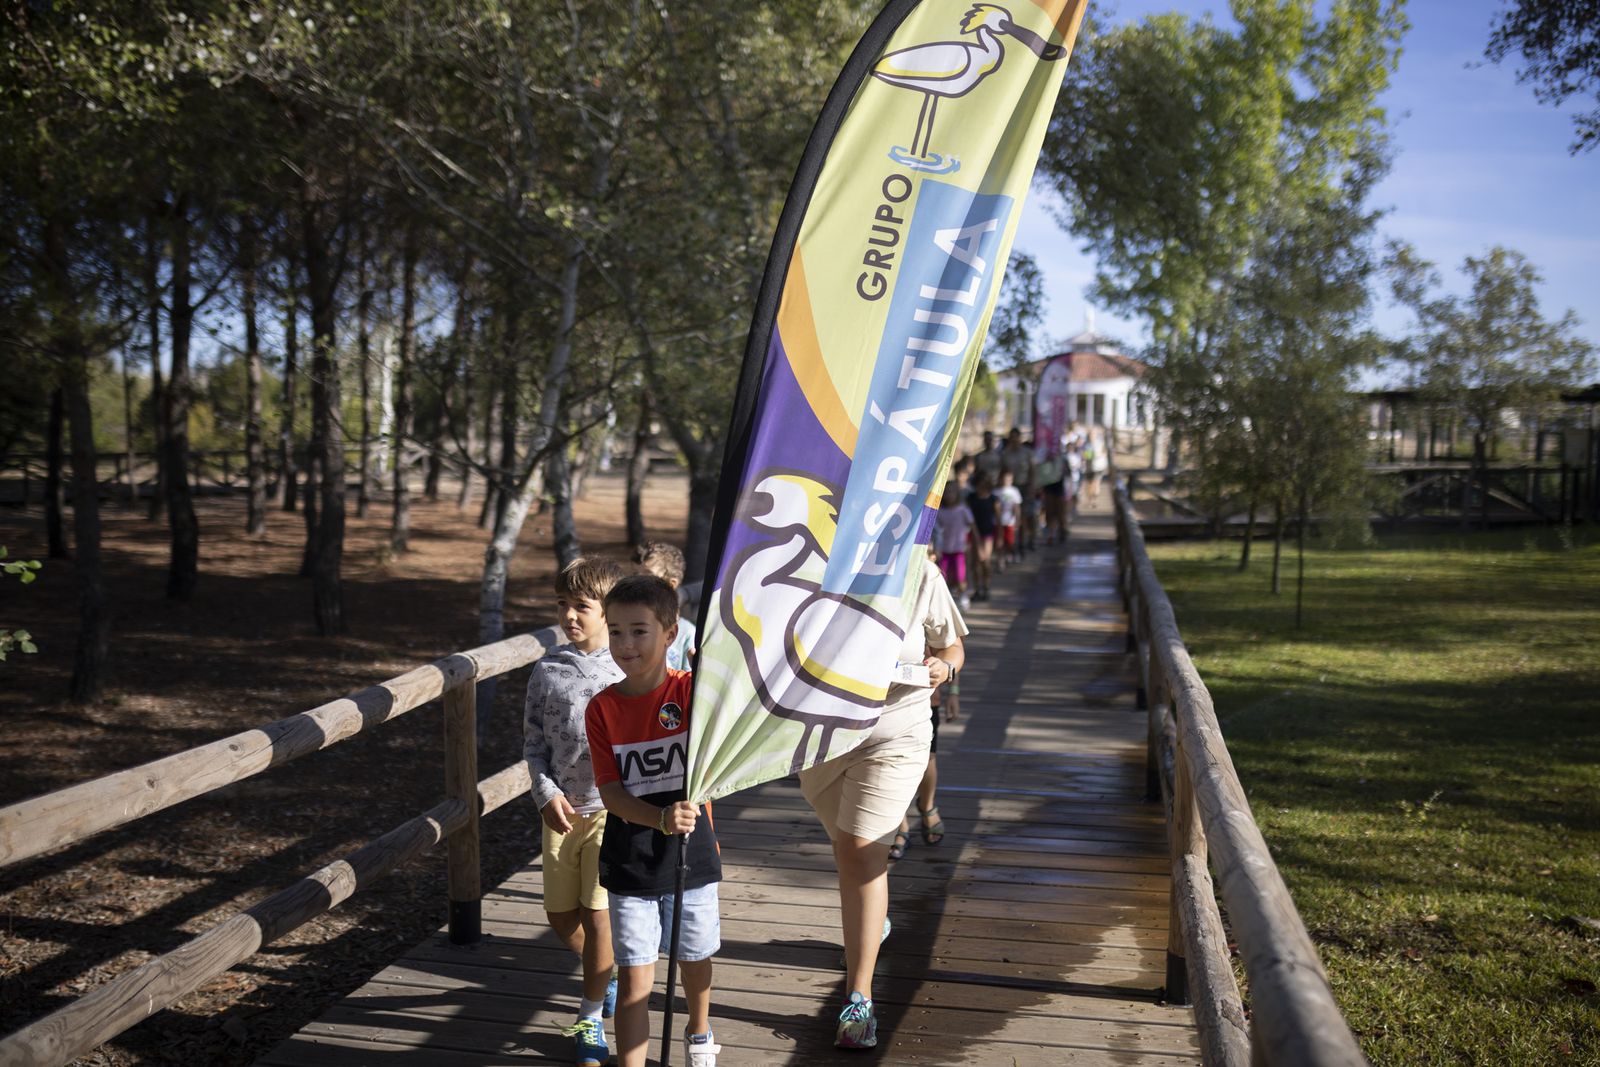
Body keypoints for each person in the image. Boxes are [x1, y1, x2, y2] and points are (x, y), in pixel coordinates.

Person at [798, 555, 967, 1049]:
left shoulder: (919, 570)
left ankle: (859, 997)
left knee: (861, 852)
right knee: (849, 852)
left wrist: (945, 666)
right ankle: (873, 921)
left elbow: (952, 646)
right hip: (821, 734)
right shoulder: (807, 559)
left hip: (898, 728)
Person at [587, 575, 723, 1067]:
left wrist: (709, 675)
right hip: (631, 862)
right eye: (616, 630)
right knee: (636, 980)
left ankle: (700, 1031)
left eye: (639, 631)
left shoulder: (694, 693)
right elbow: (611, 793)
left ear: (671, 633)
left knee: (694, 958)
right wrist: (661, 818)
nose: (625, 644)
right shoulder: (601, 708)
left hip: (694, 856)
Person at [522, 556, 626, 1067]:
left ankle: (590, 1016)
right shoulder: (547, 670)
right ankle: (607, 974)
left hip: (614, 811)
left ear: (608, 610)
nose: (569, 615)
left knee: (598, 915)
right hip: (562, 813)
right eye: (562, 605)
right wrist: (544, 792)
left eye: (581, 606)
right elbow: (534, 743)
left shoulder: (629, 670)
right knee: (562, 917)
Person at [634, 541, 697, 670]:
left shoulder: (687, 633)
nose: (638, 582)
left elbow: (688, 681)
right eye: (635, 575)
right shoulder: (626, 623)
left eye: (648, 575)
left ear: (671, 584)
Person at [932, 482, 976, 609]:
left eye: (952, 491)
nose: (949, 495)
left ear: (957, 493)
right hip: (943, 550)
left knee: (960, 575)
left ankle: (963, 596)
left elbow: (973, 527)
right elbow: (935, 531)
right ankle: (945, 600)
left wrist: (975, 545)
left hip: (959, 550)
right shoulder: (939, 511)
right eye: (947, 492)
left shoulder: (963, 510)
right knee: (942, 577)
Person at [965, 473, 998, 600]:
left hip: (988, 533)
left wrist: (999, 536)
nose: (981, 487)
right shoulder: (971, 498)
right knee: (975, 562)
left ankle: (986, 586)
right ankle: (978, 588)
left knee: (985, 560)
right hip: (974, 532)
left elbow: (998, 517)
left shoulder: (993, 499)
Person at [994, 469, 1023, 567]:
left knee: (1010, 541)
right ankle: (1000, 560)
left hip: (1010, 521)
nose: (1006, 481)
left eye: (1008, 479)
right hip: (998, 522)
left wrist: (1017, 518)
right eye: (1004, 479)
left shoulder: (1014, 491)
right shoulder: (995, 492)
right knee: (999, 542)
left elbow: (1017, 506)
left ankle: (1010, 553)